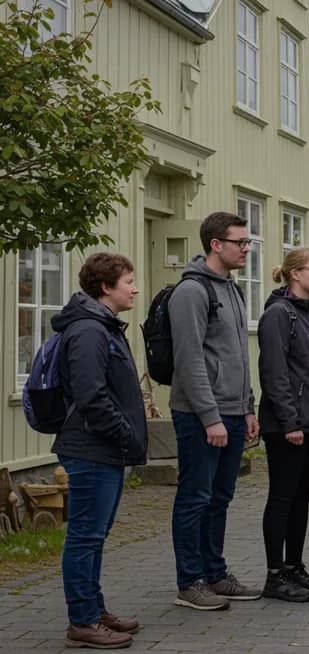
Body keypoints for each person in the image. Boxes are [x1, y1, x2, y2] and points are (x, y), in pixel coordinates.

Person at [52, 253, 148, 649]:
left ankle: (94, 609)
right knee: (85, 537)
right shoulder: (90, 331)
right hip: (91, 448)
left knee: (94, 535)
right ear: (106, 287)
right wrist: (124, 433)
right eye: (128, 282)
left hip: (103, 448)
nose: (135, 289)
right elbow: (91, 395)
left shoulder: (102, 326)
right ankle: (83, 621)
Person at [170, 211, 261, 610]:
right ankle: (189, 582)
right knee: (195, 497)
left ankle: (215, 574)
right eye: (240, 242)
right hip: (199, 415)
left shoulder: (232, 290)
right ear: (216, 244)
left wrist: (248, 407)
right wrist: (210, 417)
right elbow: (189, 359)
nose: (247, 249)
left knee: (220, 498)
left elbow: (238, 354)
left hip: (234, 412)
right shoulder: (192, 292)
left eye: (248, 242)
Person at [257, 247, 309, 603]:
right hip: (286, 426)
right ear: (295, 274)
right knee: (282, 497)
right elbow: (274, 373)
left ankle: (294, 566)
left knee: (302, 499)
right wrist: (289, 421)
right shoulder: (279, 314)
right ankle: (275, 575)